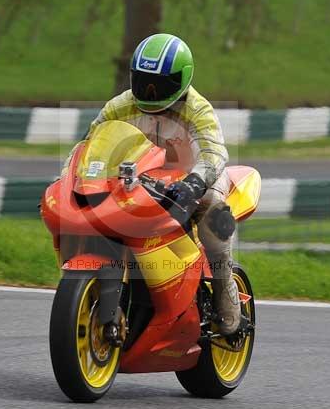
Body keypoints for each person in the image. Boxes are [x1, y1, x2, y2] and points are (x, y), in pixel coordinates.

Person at [69, 33, 241, 335]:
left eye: (160, 84)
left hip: (193, 181)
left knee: (215, 214)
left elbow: (215, 153)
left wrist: (196, 182)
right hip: (141, 182)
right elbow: (87, 146)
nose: (150, 91)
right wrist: (65, 180)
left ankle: (226, 298)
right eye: (144, 81)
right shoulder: (120, 105)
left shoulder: (198, 109)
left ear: (181, 80)